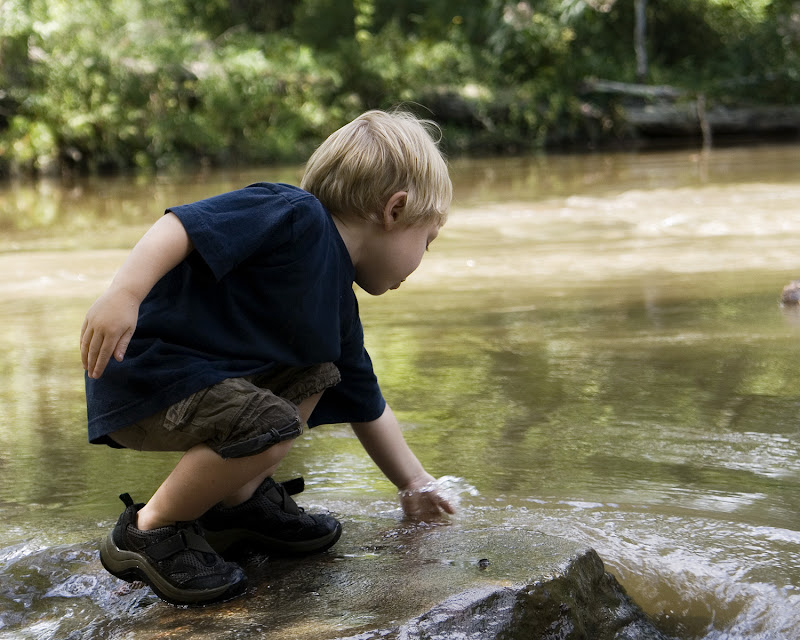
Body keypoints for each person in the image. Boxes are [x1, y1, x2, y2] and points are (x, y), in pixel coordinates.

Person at [79, 109, 455, 606]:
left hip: (196, 387)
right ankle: (149, 530)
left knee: (323, 371)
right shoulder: (294, 214)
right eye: (426, 241)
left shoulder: (338, 304)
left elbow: (366, 402)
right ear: (395, 209)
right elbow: (183, 225)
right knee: (271, 420)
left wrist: (414, 483)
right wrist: (123, 293)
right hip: (150, 373)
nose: (422, 259)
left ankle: (238, 504)